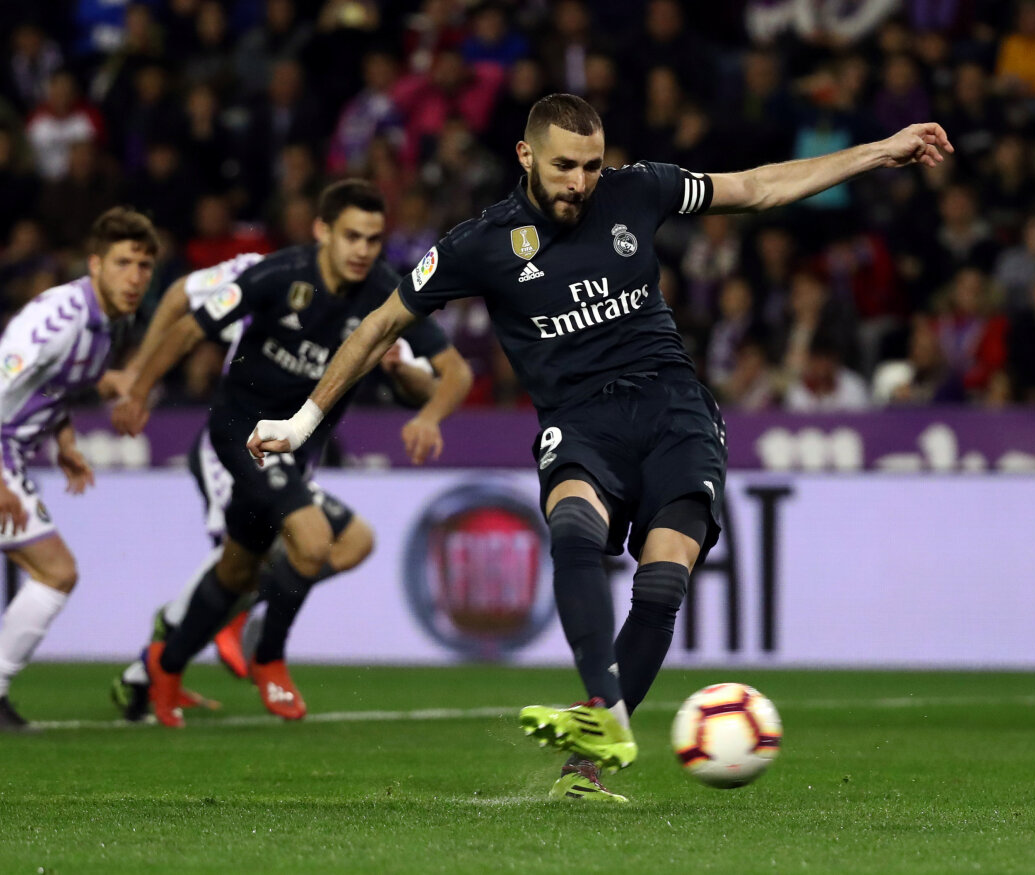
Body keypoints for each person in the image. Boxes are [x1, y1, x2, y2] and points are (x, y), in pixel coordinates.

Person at [248, 95, 952, 800]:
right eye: (563, 166)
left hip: (674, 407)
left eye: (590, 165)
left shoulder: (638, 188)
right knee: (574, 524)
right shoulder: (480, 243)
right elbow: (377, 325)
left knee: (665, 573)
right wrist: (301, 423)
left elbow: (758, 186)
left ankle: (586, 761)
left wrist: (878, 152)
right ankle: (606, 708)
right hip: (581, 420)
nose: (579, 182)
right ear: (526, 157)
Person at [112, 180, 472, 728]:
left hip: (295, 452)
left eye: (374, 239)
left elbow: (456, 374)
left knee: (242, 567)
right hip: (243, 434)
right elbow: (191, 325)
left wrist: (428, 414)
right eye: (351, 236)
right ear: (322, 231)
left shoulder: (385, 292)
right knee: (311, 540)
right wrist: (139, 390)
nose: (362, 249)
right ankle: (269, 655)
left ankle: (165, 664)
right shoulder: (279, 274)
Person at [0, 207, 159, 730]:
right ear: (94, 264)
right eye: (122, 263)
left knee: (50, 572)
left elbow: (53, 386)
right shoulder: (57, 322)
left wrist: (64, 440)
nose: (134, 277)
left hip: (16, 452)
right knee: (55, 571)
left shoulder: (108, 321)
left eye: (143, 265)